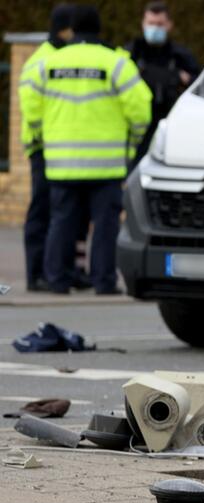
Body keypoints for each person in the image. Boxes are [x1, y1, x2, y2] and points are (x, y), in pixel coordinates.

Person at [20, 5, 153, 295]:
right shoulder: (115, 62)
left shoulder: (49, 63)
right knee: (105, 225)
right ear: (98, 30)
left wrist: (44, 133)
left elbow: (30, 106)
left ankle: (57, 279)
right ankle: (103, 281)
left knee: (62, 221)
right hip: (105, 164)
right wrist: (132, 142)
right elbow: (141, 108)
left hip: (61, 161)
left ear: (72, 30)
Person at [18, 4, 74, 293]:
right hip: (43, 147)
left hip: (57, 146)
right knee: (42, 210)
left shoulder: (60, 57)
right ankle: (35, 273)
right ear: (64, 29)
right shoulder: (44, 60)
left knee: (61, 212)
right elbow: (31, 106)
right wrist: (47, 134)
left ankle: (60, 270)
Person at [125, 1, 200, 166]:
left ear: (169, 25)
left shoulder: (180, 56)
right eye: (151, 23)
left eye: (159, 24)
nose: (154, 28)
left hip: (170, 124)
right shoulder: (132, 53)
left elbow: (199, 86)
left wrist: (183, 78)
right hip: (139, 128)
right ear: (143, 24)